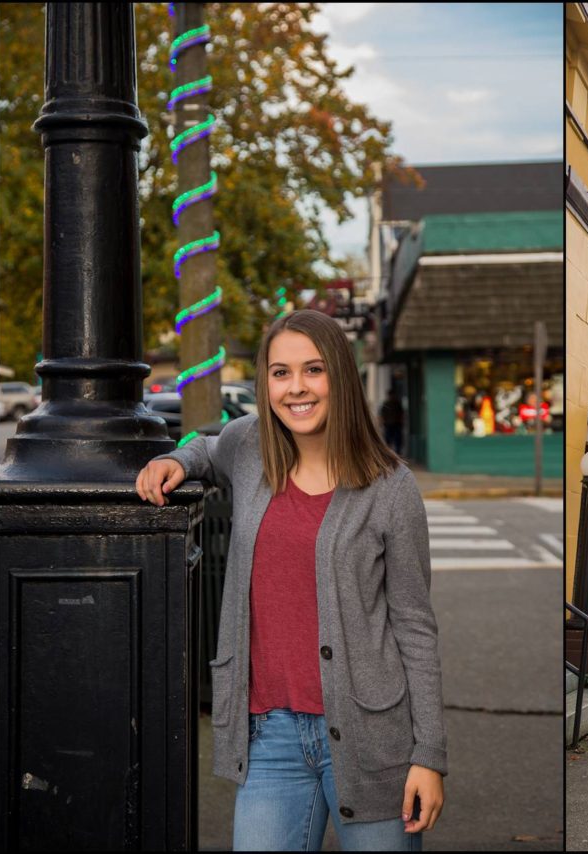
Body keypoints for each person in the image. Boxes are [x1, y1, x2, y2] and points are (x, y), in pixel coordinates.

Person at [135, 310, 446, 851]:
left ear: (341, 378)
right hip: (270, 737)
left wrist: (429, 756)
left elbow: (415, 627)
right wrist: (174, 460)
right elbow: (206, 450)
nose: (296, 388)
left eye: (313, 370)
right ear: (265, 382)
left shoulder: (392, 488)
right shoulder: (249, 446)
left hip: (372, 739)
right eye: (280, 372)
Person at [379, 388, 404, 455]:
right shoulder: (386, 404)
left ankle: (397, 453)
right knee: (388, 440)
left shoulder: (397, 403)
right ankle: (388, 453)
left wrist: (401, 422)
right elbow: (382, 414)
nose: (392, 396)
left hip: (396, 424)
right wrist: (382, 422)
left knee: (397, 440)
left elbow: (401, 414)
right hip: (388, 425)